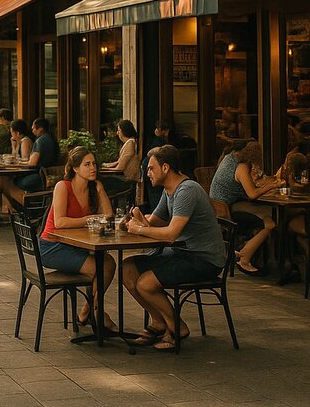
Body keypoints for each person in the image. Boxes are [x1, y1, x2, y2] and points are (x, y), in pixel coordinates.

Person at [122, 144, 227, 351]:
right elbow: (157, 222)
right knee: (127, 269)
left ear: (166, 168)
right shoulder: (169, 190)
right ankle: (158, 322)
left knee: (145, 284)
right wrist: (137, 220)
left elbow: (171, 234)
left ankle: (177, 328)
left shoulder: (187, 190)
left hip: (203, 258)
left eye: (151, 168)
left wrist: (139, 230)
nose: (148, 173)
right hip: (181, 252)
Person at [38, 146, 117, 329]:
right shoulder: (63, 186)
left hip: (74, 245)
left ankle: (87, 311)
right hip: (52, 247)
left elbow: (109, 217)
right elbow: (60, 222)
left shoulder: (92, 188)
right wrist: (88, 219)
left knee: (109, 263)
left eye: (94, 164)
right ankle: (96, 312)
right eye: (87, 164)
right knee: (99, 268)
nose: (93, 168)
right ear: (75, 168)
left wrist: (100, 189)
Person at [209, 139, 278, 275]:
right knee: (270, 222)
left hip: (220, 209)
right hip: (229, 212)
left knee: (267, 214)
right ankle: (244, 258)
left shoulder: (228, 158)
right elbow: (252, 194)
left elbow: (246, 186)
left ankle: (265, 258)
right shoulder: (241, 167)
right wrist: (272, 185)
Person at [2, 119, 55, 209]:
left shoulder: (40, 141)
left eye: (34, 128)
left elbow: (32, 163)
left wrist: (17, 164)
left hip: (39, 176)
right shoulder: (50, 138)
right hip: (47, 175)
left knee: (7, 183)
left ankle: (30, 209)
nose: (32, 130)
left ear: (40, 129)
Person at [101, 119, 140, 198]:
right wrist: (104, 166)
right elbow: (118, 162)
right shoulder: (129, 143)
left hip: (127, 180)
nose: (117, 133)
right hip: (126, 178)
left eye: (119, 130)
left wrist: (104, 170)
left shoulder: (130, 143)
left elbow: (120, 168)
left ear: (124, 131)